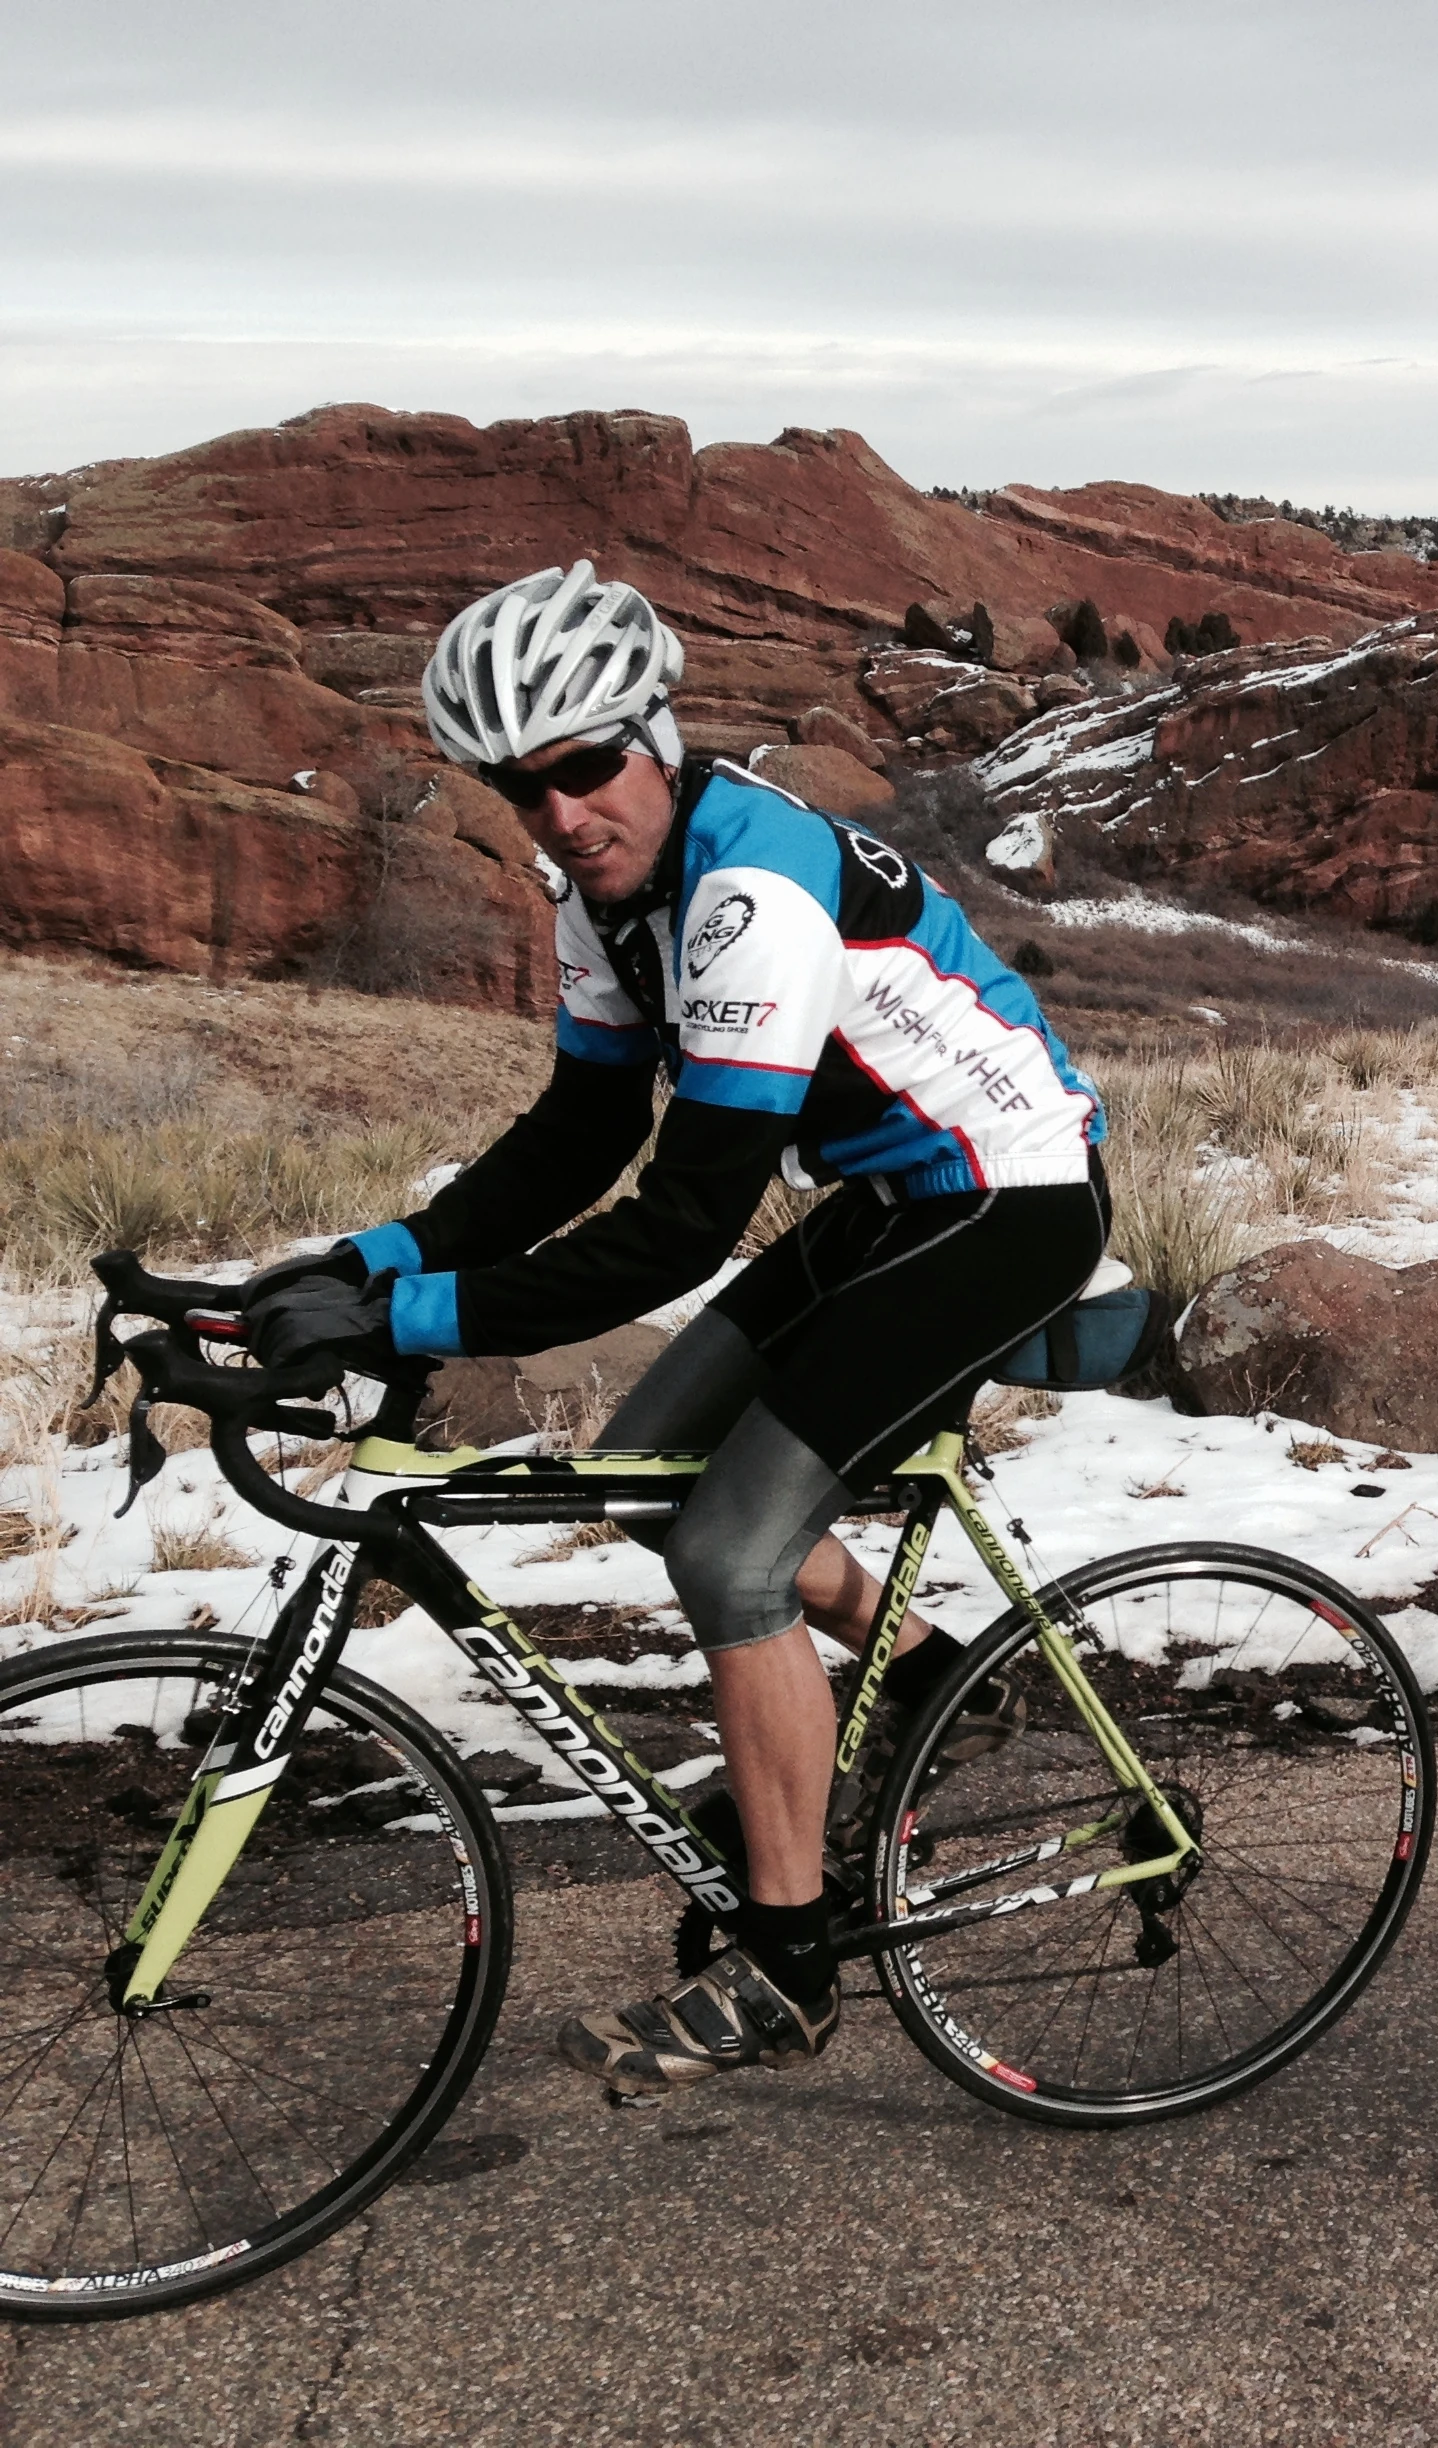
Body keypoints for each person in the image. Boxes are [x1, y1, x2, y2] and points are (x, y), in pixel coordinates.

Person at [242, 559, 1110, 2093]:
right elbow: (576, 1138)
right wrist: (361, 1258)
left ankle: (783, 1967)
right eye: (526, 791)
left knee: (725, 1550)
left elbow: (680, 1228)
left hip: (1011, 1198)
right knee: (651, 1465)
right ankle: (925, 1680)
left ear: (657, 736)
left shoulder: (750, 889)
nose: (566, 815)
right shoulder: (605, 896)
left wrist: (409, 1318)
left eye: (588, 769)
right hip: (895, 1195)